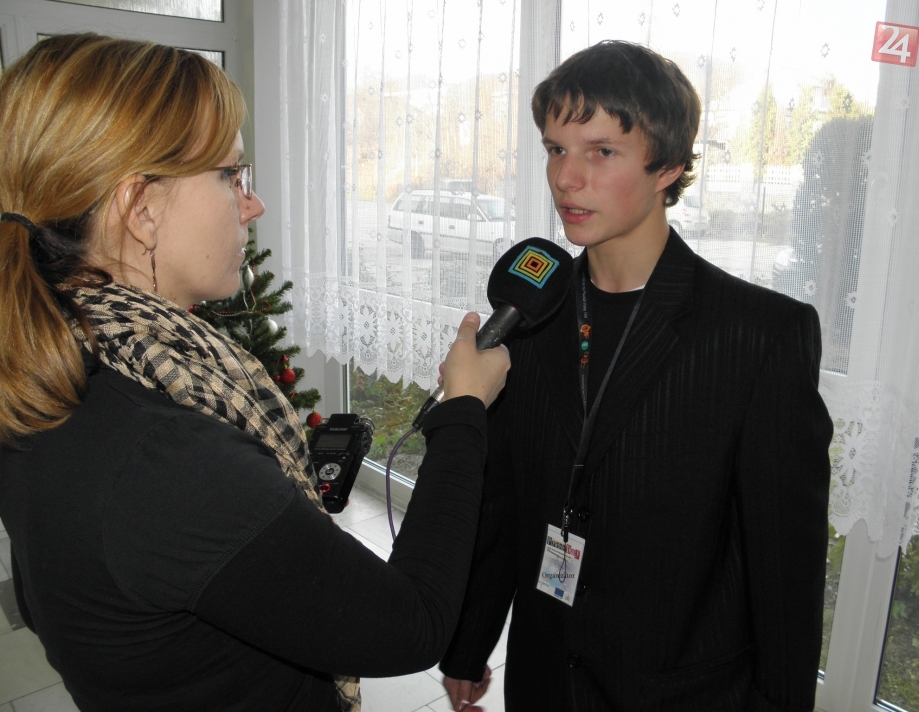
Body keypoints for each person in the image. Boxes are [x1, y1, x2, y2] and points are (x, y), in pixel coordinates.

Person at [0, 34, 509, 712]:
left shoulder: (54, 363)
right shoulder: (164, 457)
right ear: (141, 208)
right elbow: (410, 624)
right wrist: (463, 409)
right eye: (230, 176)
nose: (253, 204)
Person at [439, 40, 833, 711]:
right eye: (555, 148)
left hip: (682, 692)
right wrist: (469, 641)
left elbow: (785, 567)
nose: (566, 178)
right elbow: (504, 499)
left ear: (667, 168)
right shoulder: (531, 315)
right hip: (544, 680)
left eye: (601, 151)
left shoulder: (759, 336)